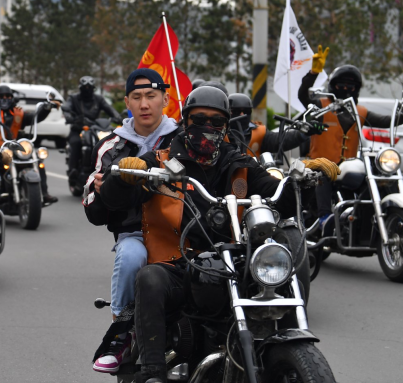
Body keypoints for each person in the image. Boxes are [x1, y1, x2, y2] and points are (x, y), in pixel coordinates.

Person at [99, 86, 339, 383]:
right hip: (178, 262)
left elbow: (279, 201)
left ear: (226, 126)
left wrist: (302, 181)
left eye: (216, 122)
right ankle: (152, 372)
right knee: (150, 278)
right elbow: (114, 201)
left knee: (276, 276)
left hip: (233, 261)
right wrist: (124, 177)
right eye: (200, 119)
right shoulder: (160, 161)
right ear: (186, 121)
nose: (208, 128)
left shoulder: (239, 162)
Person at [84, 69, 180, 375]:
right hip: (136, 234)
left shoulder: (183, 139)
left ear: (165, 98)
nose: (144, 104)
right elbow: (94, 210)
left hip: (184, 233)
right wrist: (100, 191)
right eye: (137, 97)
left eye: (151, 96)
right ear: (127, 102)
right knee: (130, 256)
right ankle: (120, 334)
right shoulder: (111, 146)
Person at [298, 46, 403, 227]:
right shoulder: (320, 106)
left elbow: (385, 120)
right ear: (333, 86)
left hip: (348, 167)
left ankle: (379, 216)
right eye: (342, 85)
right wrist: (313, 73)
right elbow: (303, 96)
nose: (346, 88)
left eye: (351, 86)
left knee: (375, 174)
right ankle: (324, 218)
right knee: (323, 172)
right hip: (318, 163)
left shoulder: (360, 112)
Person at [0, 84, 58, 204]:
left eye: (8, 96)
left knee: (38, 162)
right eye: (1, 96)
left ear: (12, 99)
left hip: (16, 149)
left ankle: (44, 193)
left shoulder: (18, 113)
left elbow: (34, 117)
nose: (5, 99)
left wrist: (46, 108)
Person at [62, 76, 122, 174]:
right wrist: (69, 116)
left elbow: (110, 109)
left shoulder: (99, 99)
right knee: (76, 142)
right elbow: (67, 108)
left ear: (93, 89)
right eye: (85, 88)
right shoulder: (73, 98)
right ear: (80, 88)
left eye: (89, 88)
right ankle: (72, 169)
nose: (87, 90)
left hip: (95, 129)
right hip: (78, 128)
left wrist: (118, 117)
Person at [227, 93, 313, 158]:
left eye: (246, 111)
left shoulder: (259, 132)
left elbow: (279, 140)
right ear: (228, 112)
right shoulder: (220, 131)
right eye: (236, 111)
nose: (242, 115)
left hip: (253, 177)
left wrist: (303, 133)